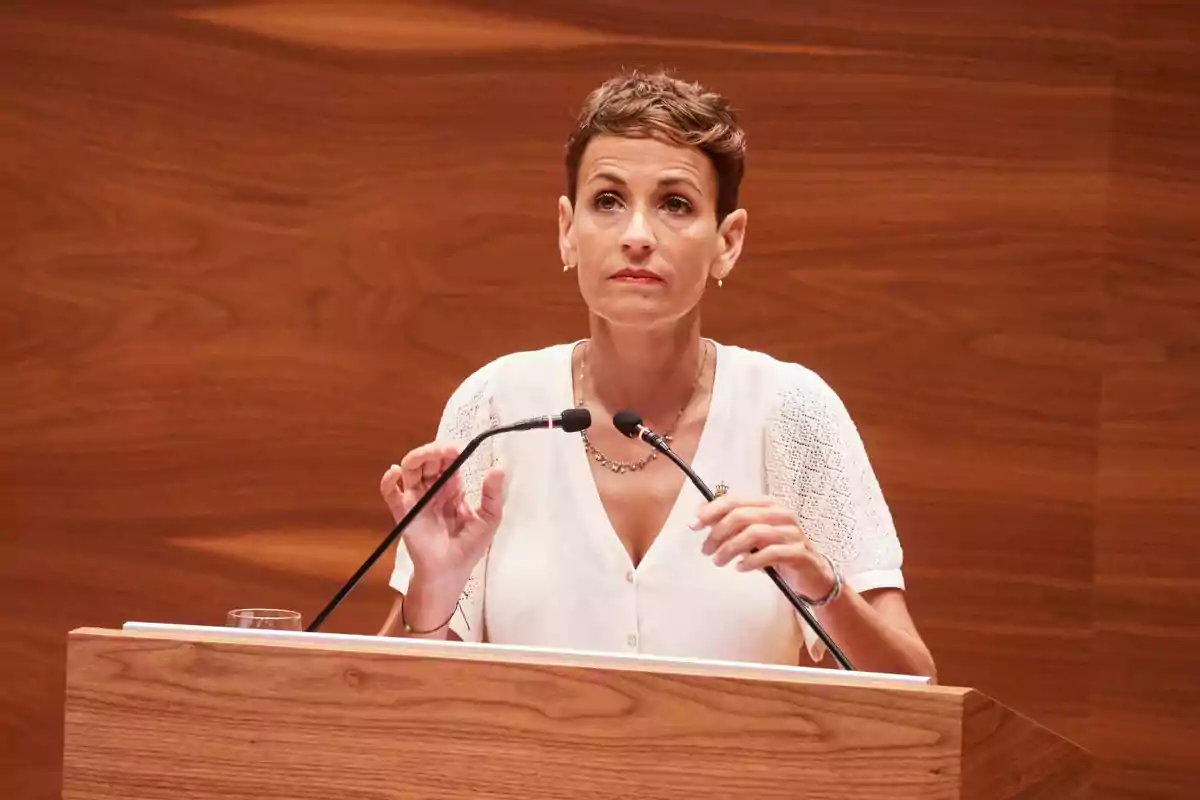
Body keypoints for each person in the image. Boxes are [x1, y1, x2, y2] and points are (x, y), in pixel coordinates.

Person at [377, 70, 936, 679]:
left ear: (728, 241)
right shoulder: (493, 409)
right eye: (609, 201)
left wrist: (821, 585)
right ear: (568, 231)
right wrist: (433, 586)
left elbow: (919, 690)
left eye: (675, 204)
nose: (638, 236)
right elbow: (393, 705)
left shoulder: (792, 411)